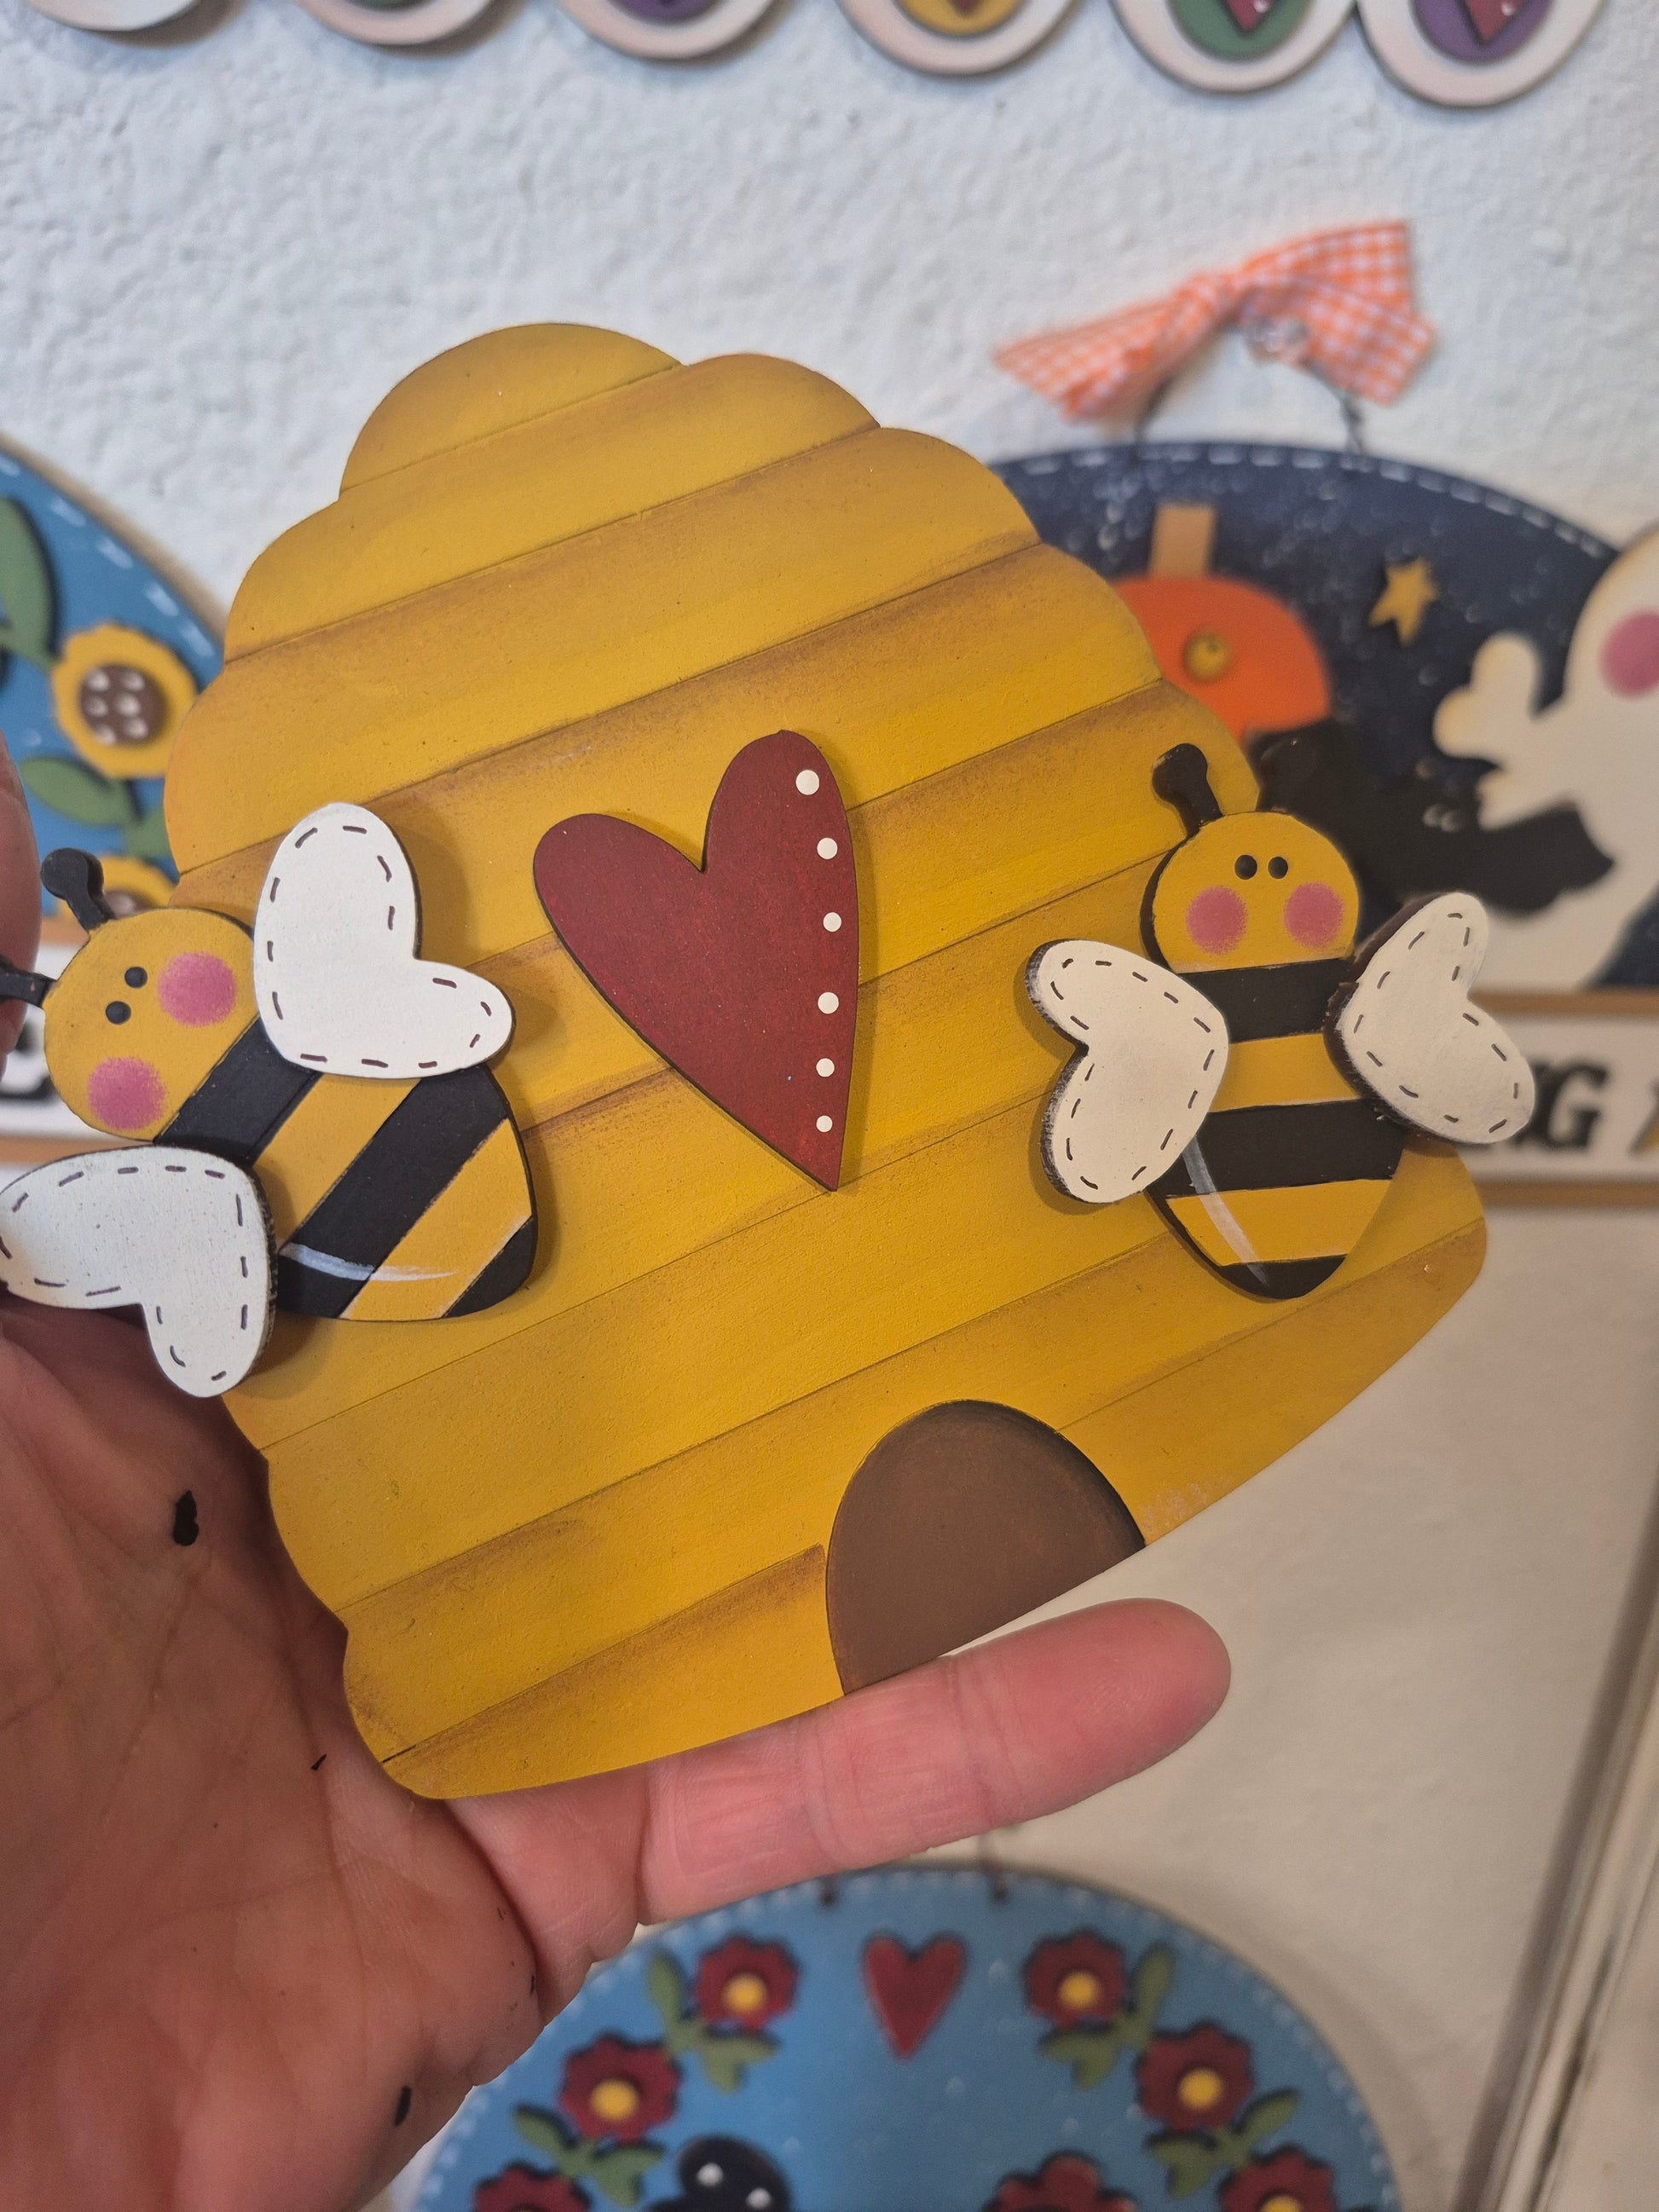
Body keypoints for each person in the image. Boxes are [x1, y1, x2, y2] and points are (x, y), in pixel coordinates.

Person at [0, 745, 1228, 2211]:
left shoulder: (273, 1049)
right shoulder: (209, 1137)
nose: (148, 1010)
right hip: (415, 1391)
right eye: (123, 1035)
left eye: (161, 993)